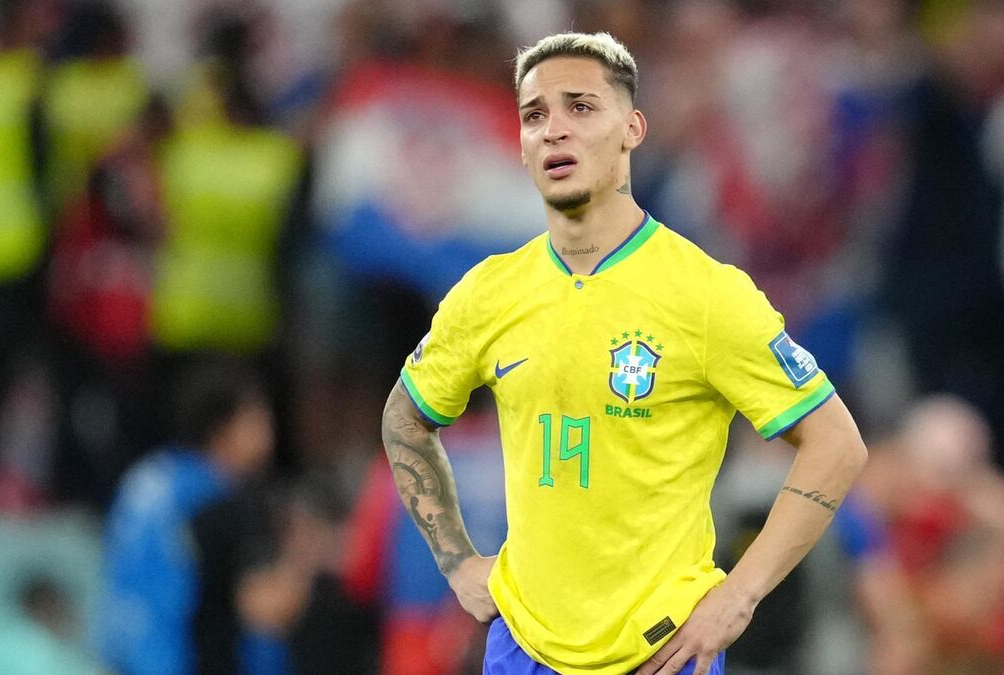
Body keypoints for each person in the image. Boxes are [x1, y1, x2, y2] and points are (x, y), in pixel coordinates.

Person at [380, 32, 869, 675]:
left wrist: (738, 597)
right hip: (524, 649)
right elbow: (405, 417)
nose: (555, 129)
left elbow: (837, 444)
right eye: (535, 115)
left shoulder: (705, 295)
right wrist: (457, 562)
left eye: (581, 107)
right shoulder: (488, 294)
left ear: (632, 129)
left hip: (660, 651)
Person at [97, 359, 278, 675]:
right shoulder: (219, 500)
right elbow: (261, 606)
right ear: (222, 427)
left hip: (120, 656)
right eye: (257, 420)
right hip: (178, 660)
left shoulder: (147, 476)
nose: (269, 433)